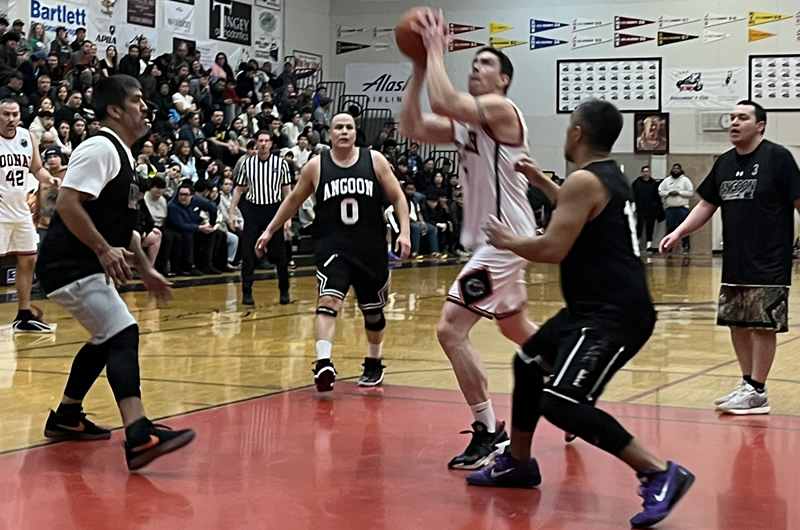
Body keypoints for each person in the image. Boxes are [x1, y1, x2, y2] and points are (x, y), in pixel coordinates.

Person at [470, 98, 694, 529]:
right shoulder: (608, 175)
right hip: (590, 309)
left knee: (561, 402)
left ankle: (657, 471)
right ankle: (518, 462)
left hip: (613, 314)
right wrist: (542, 182)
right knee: (529, 362)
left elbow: (552, 248)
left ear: (576, 133)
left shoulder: (584, 181)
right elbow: (579, 209)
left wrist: (506, 239)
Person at [400, 10, 539, 469]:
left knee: (450, 329)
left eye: (486, 64)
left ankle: (489, 431)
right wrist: (419, 66)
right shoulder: (468, 122)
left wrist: (434, 48)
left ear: (503, 80)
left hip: (504, 240)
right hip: (495, 241)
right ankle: (573, 390)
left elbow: (443, 102)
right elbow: (413, 127)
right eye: (473, 63)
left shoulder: (502, 110)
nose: (476, 67)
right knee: (515, 329)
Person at [36, 75, 195, 471]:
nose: (146, 107)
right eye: (137, 100)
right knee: (123, 333)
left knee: (105, 338)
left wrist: (146, 269)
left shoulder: (123, 155)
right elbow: (67, 204)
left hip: (82, 264)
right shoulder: (100, 147)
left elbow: (127, 231)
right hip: (70, 264)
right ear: (114, 110)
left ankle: (66, 416)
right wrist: (103, 249)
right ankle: (139, 434)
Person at [661, 100, 800, 415]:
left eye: (743, 117)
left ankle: (758, 391)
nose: (734, 122)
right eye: (732, 117)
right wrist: (679, 232)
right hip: (735, 259)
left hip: (769, 259)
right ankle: (748, 384)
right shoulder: (724, 162)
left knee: (763, 325)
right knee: (737, 323)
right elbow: (706, 204)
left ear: (760, 125)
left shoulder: (777, 158)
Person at [255, 113, 410, 390]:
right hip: (332, 245)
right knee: (329, 300)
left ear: (355, 132)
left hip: (370, 246)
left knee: (373, 312)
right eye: (339, 127)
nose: (344, 131)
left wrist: (405, 232)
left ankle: (374, 361)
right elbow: (293, 199)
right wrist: (269, 230)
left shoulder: (374, 160)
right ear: (330, 134)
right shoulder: (316, 166)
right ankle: (323, 362)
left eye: (349, 127)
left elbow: (398, 197)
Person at [0, 99, 58, 332]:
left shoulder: (27, 137)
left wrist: (49, 178)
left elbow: (36, 168)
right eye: (6, 114)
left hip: (22, 209)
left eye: (15, 114)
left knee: (29, 259)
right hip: (1, 211)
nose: (11, 118)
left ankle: (23, 315)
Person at [229, 129, 292, 306]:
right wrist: (231, 212)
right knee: (248, 252)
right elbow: (239, 190)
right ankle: (247, 292)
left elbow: (288, 193)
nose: (263, 144)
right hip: (253, 210)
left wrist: (288, 216)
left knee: (279, 253)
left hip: (274, 210)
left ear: (271, 143)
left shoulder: (281, 164)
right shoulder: (247, 164)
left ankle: (284, 290)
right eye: (260, 141)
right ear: (256, 143)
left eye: (266, 141)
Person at [659, 163, 693, 254]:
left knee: (684, 229)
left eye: (677, 169)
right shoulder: (666, 180)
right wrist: (669, 193)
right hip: (670, 208)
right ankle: (669, 247)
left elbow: (690, 192)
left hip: (682, 208)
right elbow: (660, 191)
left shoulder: (685, 180)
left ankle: (686, 247)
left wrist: (679, 193)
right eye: (674, 168)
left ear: (681, 170)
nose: (675, 170)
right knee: (670, 228)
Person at [632, 165, 663, 253]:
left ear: (650, 173)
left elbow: (657, 197)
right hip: (640, 209)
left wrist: (656, 208)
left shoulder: (654, 184)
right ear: (641, 172)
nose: (646, 173)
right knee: (639, 227)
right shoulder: (636, 183)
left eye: (647, 171)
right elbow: (633, 195)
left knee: (650, 228)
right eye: (644, 171)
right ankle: (636, 245)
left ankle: (649, 246)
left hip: (651, 210)